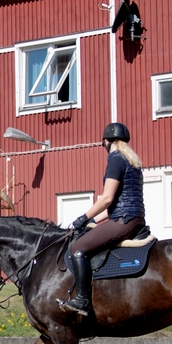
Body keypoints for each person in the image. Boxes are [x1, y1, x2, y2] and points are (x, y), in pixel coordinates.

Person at [64, 122, 146, 318]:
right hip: (133, 218)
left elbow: (107, 198)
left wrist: (83, 217)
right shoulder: (132, 162)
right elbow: (114, 205)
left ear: (106, 142)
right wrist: (91, 221)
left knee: (77, 249)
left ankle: (82, 300)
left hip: (123, 221)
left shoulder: (116, 159)